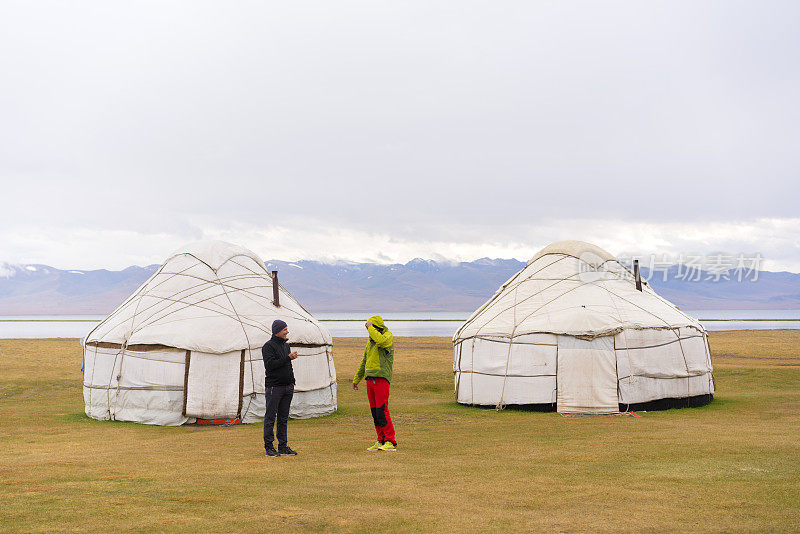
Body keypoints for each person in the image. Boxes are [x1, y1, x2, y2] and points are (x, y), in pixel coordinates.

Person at [352, 315, 396, 451]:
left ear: (377, 328)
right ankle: (381, 439)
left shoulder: (387, 336)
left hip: (381, 378)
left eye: (371, 328)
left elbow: (381, 341)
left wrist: (370, 327)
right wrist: (357, 379)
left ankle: (390, 441)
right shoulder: (370, 343)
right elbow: (364, 361)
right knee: (375, 412)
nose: (369, 332)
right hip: (370, 379)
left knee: (382, 410)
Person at [262, 319, 298, 457]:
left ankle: (282, 446)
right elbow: (270, 365)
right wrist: (288, 358)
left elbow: (288, 366)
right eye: (285, 329)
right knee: (270, 417)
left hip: (287, 387)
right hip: (274, 387)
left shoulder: (286, 346)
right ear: (277, 331)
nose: (287, 331)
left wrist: (292, 381)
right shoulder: (268, 347)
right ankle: (269, 447)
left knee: (283, 418)